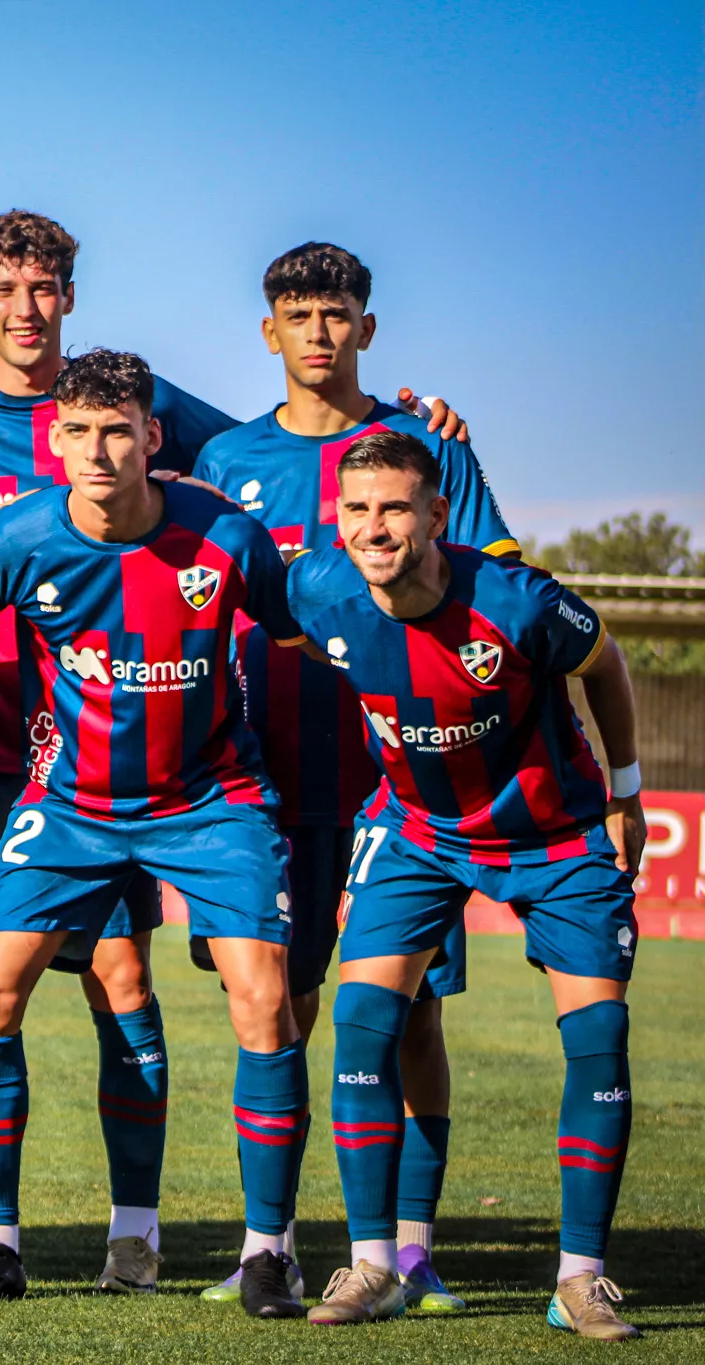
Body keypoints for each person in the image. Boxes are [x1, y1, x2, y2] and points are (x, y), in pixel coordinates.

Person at [0, 349, 313, 1316]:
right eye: (76, 430)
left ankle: (267, 1251)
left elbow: (296, 633)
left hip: (211, 801)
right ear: (54, 439)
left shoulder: (228, 540)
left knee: (263, 1001)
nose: (96, 450)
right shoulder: (18, 539)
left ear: (153, 438)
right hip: (72, 805)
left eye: (117, 429)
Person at [0, 210, 236, 1293]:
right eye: (4, 288)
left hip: (102, 745)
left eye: (43, 287)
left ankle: (132, 1229)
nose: (25, 308)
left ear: (69, 297)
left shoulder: (131, 402)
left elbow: (267, 455)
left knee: (119, 973)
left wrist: (404, 422)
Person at [191, 242, 519, 1311]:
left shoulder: (428, 452)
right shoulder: (226, 458)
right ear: (266, 331)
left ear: (365, 327)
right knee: (272, 1005)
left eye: (335, 313)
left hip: (405, 790)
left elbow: (500, 607)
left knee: (410, 1012)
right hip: (265, 786)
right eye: (295, 313)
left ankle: (410, 1251)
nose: (316, 332)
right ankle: (268, 1247)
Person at [286, 431, 644, 1340]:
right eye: (358, 508)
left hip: (554, 834)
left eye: (396, 507)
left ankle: (580, 1280)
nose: (375, 527)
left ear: (437, 515)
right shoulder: (318, 586)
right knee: (365, 1024)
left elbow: (605, 662)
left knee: (598, 1035)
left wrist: (627, 791)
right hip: (413, 832)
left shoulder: (516, 601)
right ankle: (376, 1266)